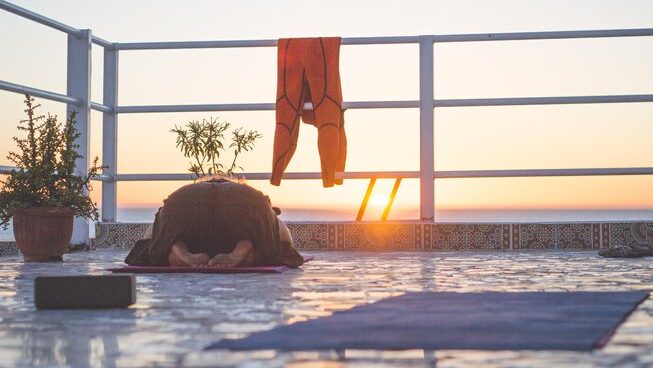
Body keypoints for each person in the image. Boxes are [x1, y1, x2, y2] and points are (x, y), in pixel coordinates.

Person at [125, 177, 303, 268]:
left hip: (183, 202)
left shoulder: (191, 192)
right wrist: (269, 221)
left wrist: (162, 241)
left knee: (159, 241)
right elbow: (286, 239)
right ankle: (248, 248)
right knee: (271, 244)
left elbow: (151, 235)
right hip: (245, 206)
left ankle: (175, 249)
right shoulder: (248, 195)